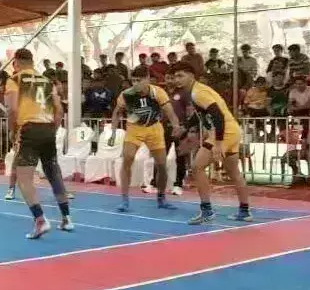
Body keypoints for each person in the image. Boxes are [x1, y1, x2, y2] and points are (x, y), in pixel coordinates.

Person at [5, 48, 73, 239]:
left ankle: (40, 219)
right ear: (33, 62)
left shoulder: (15, 79)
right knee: (54, 174)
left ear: (16, 62)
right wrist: (53, 129)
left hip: (29, 129)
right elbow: (59, 110)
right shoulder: (47, 81)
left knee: (23, 178)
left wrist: (13, 131)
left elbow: (12, 109)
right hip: (47, 129)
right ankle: (67, 218)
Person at [172, 62, 252, 224]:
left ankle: (207, 211)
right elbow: (201, 115)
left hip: (224, 132)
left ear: (191, 76)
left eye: (180, 76)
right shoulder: (196, 91)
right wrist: (185, 127)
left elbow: (218, 116)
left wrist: (218, 144)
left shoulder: (199, 93)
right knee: (234, 172)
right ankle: (245, 211)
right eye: (175, 77)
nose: (177, 80)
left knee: (197, 167)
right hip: (233, 131)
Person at [108, 67, 183, 212]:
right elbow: (117, 113)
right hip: (134, 129)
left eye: (139, 80)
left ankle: (161, 198)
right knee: (127, 158)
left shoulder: (157, 92)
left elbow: (169, 111)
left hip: (154, 129)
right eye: (133, 80)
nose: (136, 84)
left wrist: (175, 125)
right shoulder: (126, 94)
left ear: (147, 79)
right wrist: (113, 132)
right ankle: (124, 200)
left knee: (161, 165)